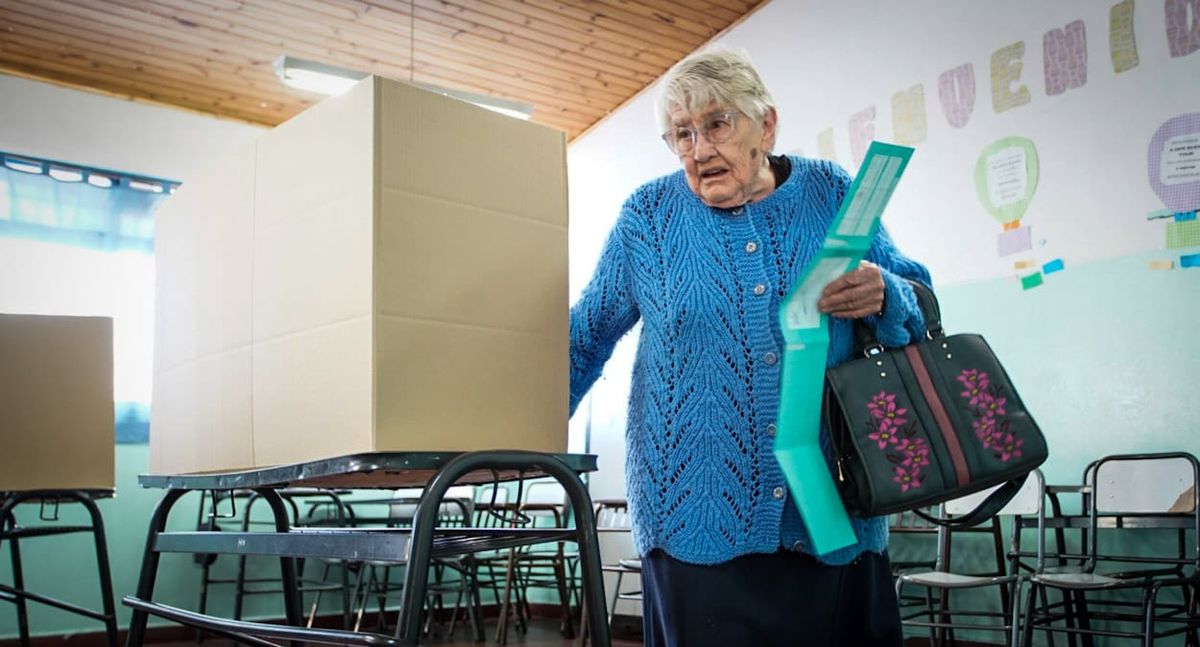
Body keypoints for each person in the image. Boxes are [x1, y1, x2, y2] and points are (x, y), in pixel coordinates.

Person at [568, 47, 932, 646]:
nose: (699, 149)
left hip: (833, 512)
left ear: (766, 125)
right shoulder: (648, 219)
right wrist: (509, 436)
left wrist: (887, 293)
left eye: (716, 124)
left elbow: (918, 302)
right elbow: (583, 338)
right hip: (694, 515)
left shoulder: (832, 191)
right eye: (681, 134)